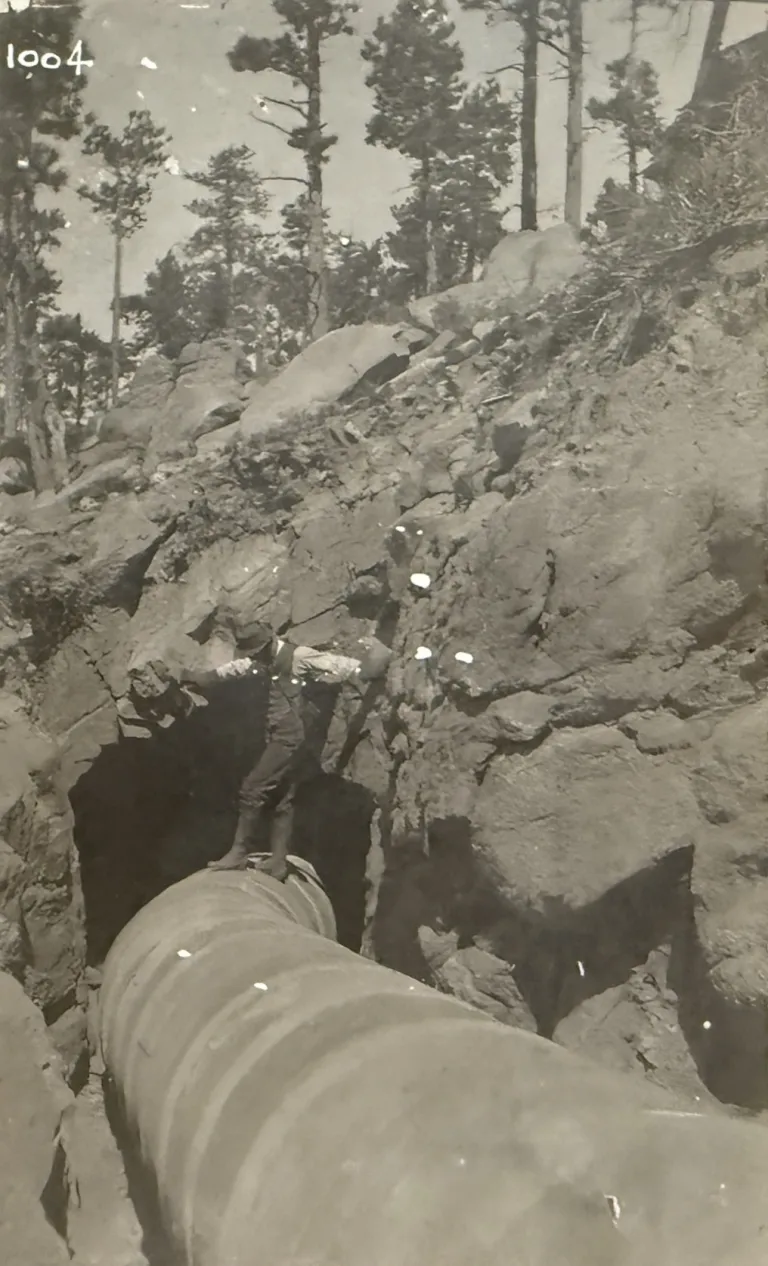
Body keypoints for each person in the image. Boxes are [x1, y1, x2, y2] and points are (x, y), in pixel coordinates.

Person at [178, 618, 392, 880]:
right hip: (279, 734)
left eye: (255, 652)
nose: (253, 658)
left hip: (290, 738)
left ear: (268, 644)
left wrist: (373, 664)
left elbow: (344, 667)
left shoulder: (299, 656)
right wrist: (202, 678)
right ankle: (279, 862)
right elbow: (239, 667)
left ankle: (238, 853)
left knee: (251, 789)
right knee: (281, 798)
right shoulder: (264, 657)